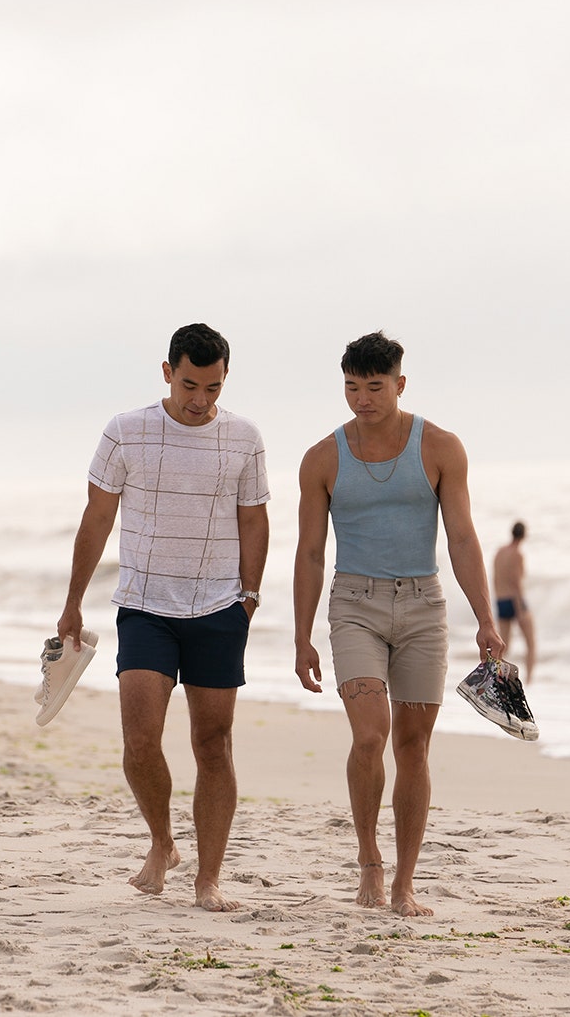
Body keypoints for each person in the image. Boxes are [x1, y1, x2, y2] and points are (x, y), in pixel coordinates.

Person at [55, 323, 269, 912]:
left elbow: (254, 519)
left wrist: (248, 597)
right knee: (140, 741)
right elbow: (96, 518)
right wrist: (73, 602)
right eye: (191, 384)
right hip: (146, 606)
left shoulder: (244, 437)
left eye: (214, 388)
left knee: (214, 742)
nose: (200, 400)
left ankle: (209, 878)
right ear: (167, 371)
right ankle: (162, 842)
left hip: (219, 608)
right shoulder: (127, 432)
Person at [292, 331, 504, 918]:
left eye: (375, 387)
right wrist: (301, 634)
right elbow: (310, 552)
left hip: (423, 606)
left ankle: (405, 882)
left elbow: (461, 537)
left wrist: (485, 619)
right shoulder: (321, 459)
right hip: (353, 603)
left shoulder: (439, 447)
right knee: (369, 736)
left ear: (400, 384)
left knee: (414, 748)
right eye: (352, 387)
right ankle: (369, 861)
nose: (362, 399)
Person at [493, 521, 537, 682]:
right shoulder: (517, 554)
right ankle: (530, 680)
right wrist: (520, 609)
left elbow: (496, 578)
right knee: (531, 643)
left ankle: (497, 679)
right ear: (524, 535)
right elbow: (516, 582)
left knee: (503, 646)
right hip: (515, 601)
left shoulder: (499, 552)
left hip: (501, 600)